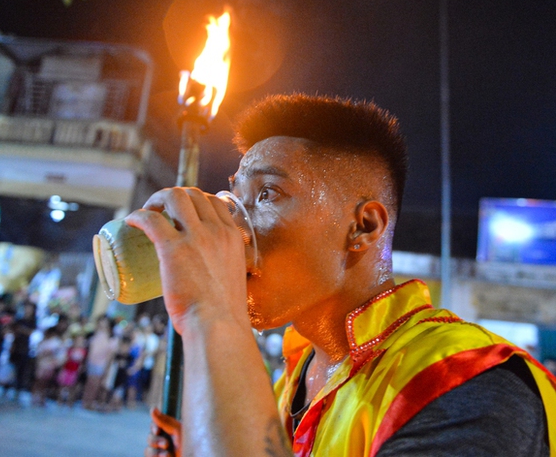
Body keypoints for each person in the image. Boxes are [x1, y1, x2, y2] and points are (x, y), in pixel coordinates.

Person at [140, 93, 556, 456]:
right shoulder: (292, 378)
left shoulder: (467, 381)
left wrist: (211, 313)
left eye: (267, 194)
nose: (233, 225)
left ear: (363, 227)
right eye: (237, 196)